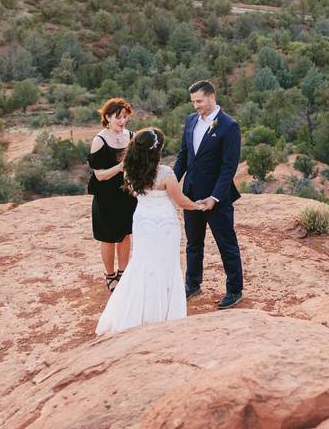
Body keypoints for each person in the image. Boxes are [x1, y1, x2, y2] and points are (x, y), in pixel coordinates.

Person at [95, 128, 202, 335]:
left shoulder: (128, 169)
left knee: (142, 264)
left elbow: (135, 192)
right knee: (166, 265)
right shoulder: (165, 174)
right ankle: (163, 314)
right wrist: (199, 206)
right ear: (158, 149)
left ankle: (136, 312)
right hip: (164, 225)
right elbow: (180, 201)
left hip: (143, 222)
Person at [173, 79, 244, 310]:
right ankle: (193, 284)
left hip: (217, 198)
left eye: (199, 101)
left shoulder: (229, 126)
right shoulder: (191, 121)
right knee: (194, 243)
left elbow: (228, 166)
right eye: (193, 102)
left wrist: (215, 197)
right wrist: (171, 183)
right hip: (191, 194)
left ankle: (234, 290)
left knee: (226, 243)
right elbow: (184, 156)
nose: (196, 106)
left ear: (212, 97)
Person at [87, 98, 138, 291]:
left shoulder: (131, 136)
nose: (122, 121)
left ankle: (123, 273)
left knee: (125, 234)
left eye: (125, 117)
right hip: (106, 196)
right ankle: (110, 275)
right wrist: (119, 168)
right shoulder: (99, 140)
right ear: (107, 117)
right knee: (108, 237)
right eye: (118, 117)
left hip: (126, 194)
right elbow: (99, 175)